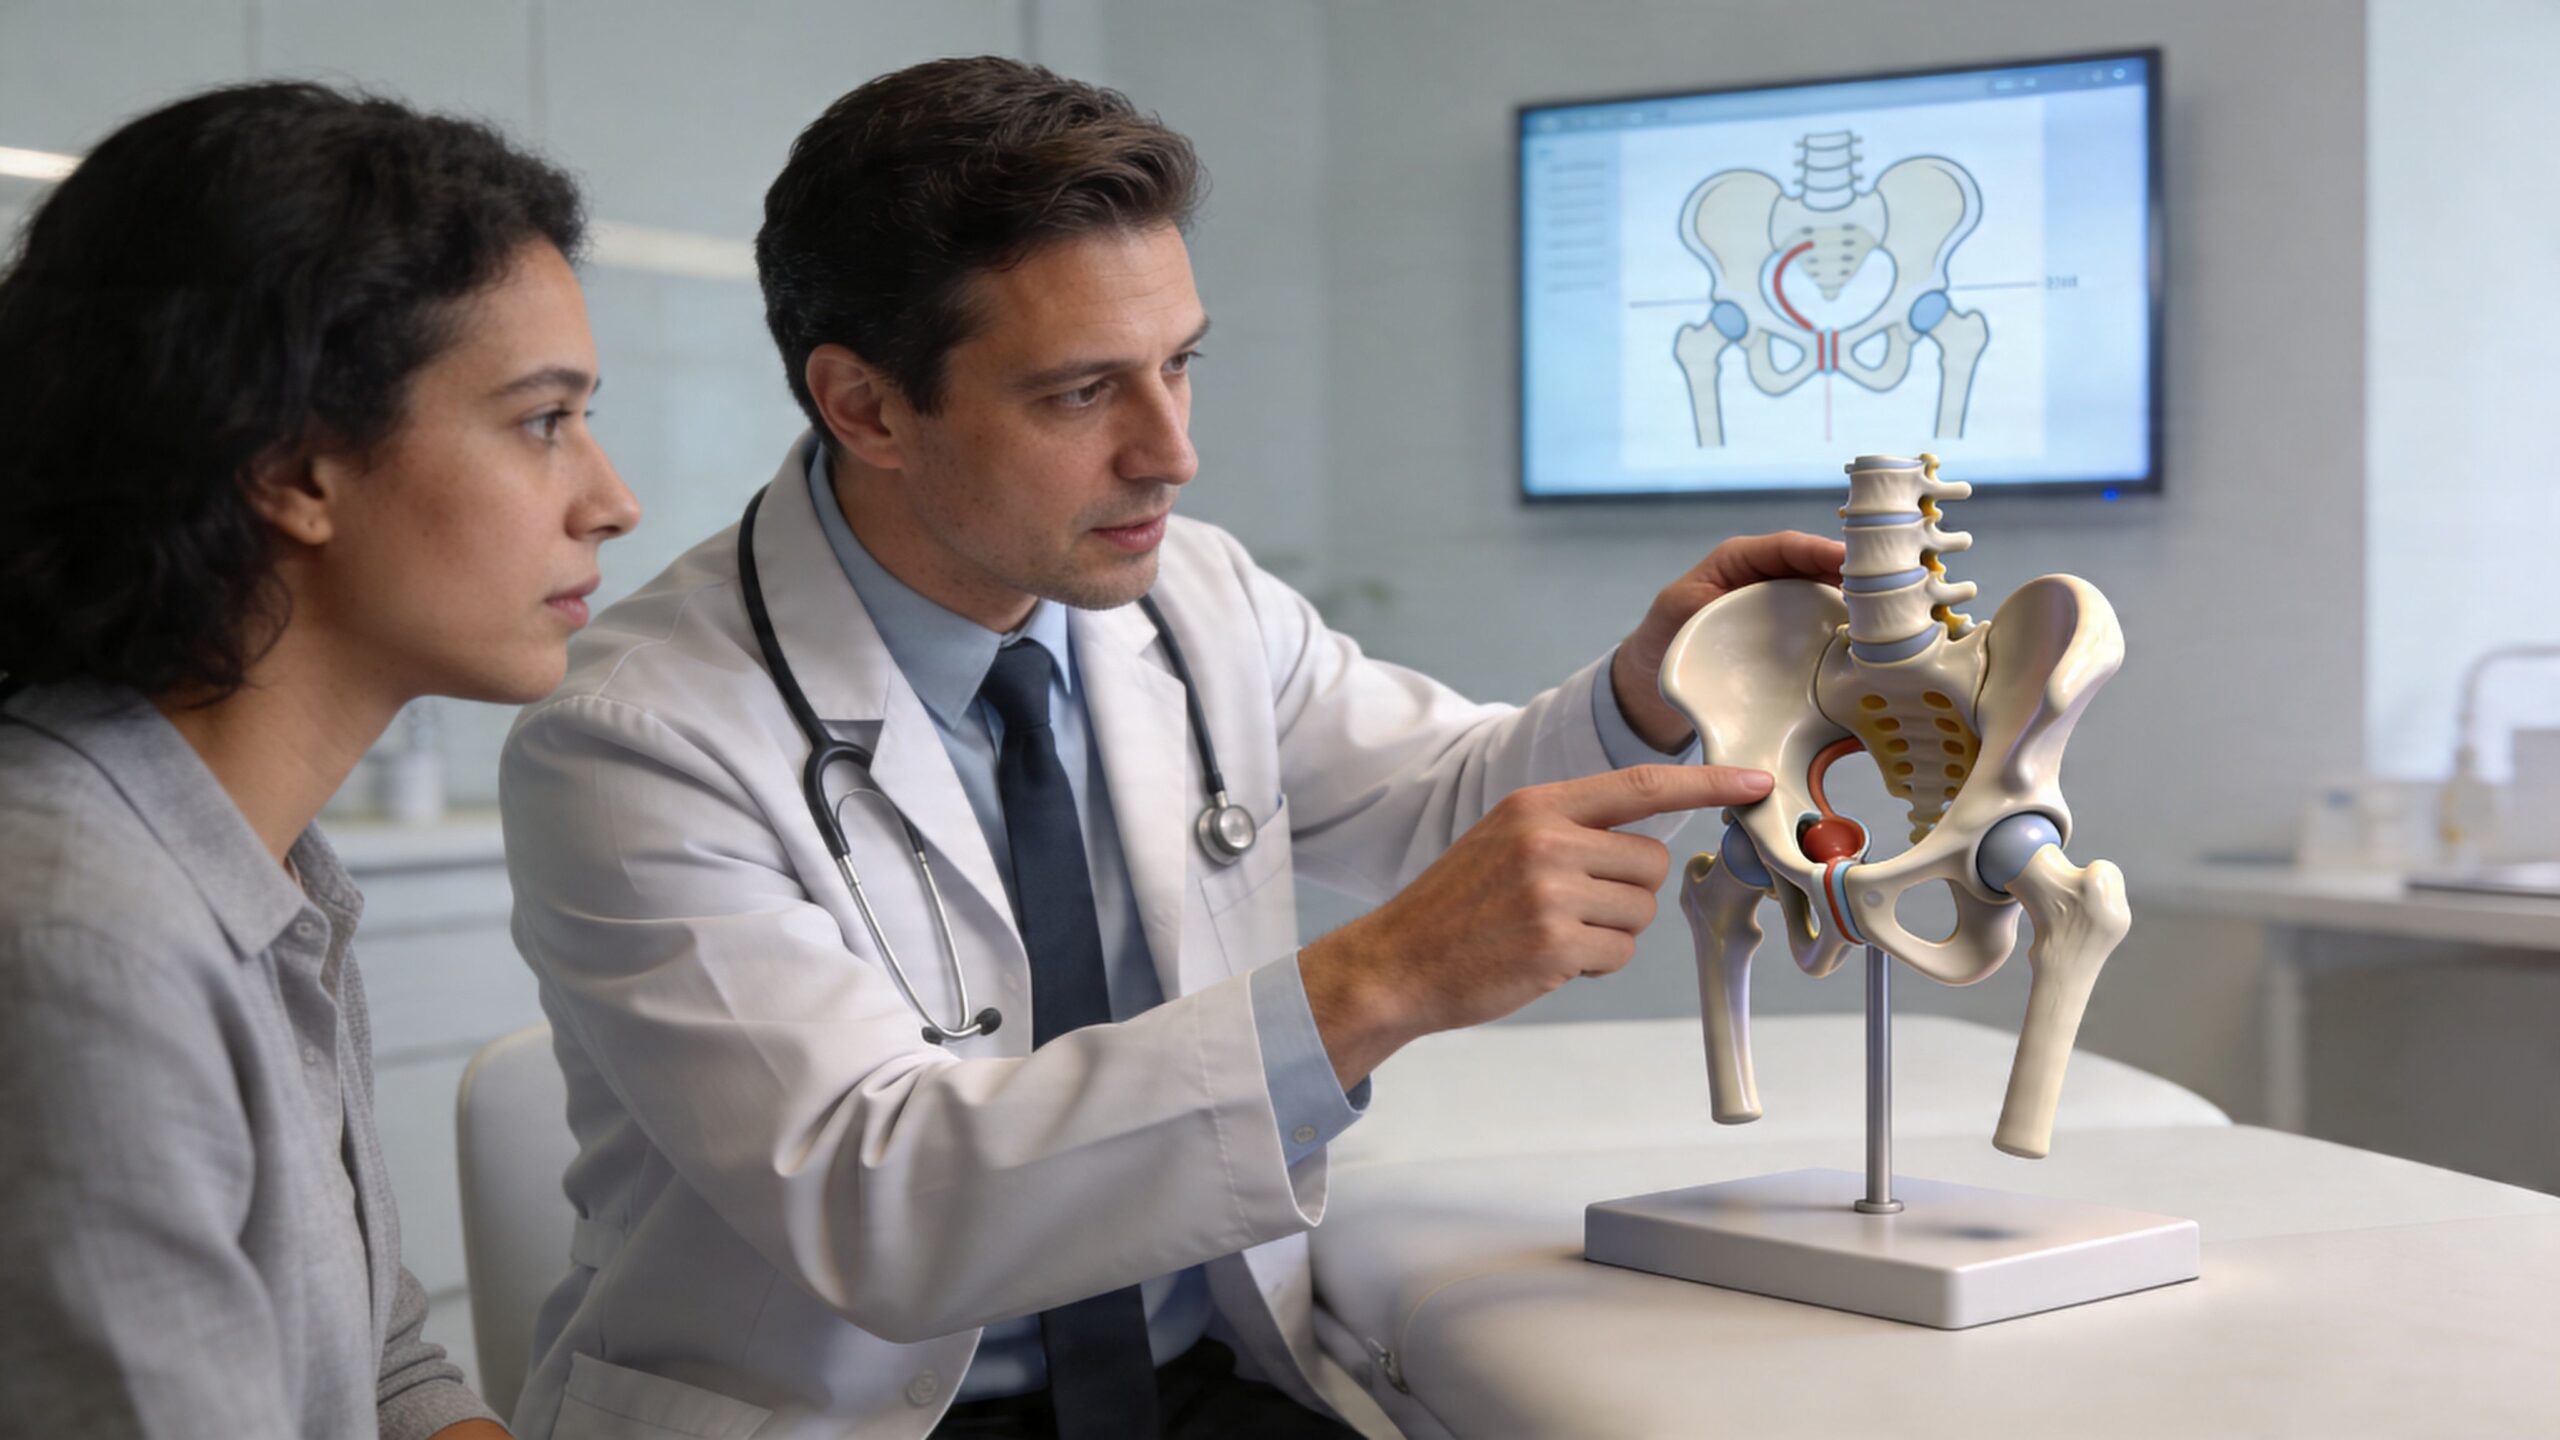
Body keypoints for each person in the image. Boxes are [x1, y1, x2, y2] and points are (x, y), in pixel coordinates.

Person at [497, 56, 1841, 1440]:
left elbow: (1449, 809)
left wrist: (1658, 685)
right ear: (867, 408)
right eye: (1081, 395)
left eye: (1179, 364)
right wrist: (1376, 980)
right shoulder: (635, 741)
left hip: (1195, 1387)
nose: (1172, 451)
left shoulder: (1194, 597)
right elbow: (882, 1205)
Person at [0, 82, 639, 1437]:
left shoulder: (256, 859)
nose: (609, 500)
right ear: (295, 471)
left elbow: (378, 1361)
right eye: (543, 421)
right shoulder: (77, 940)